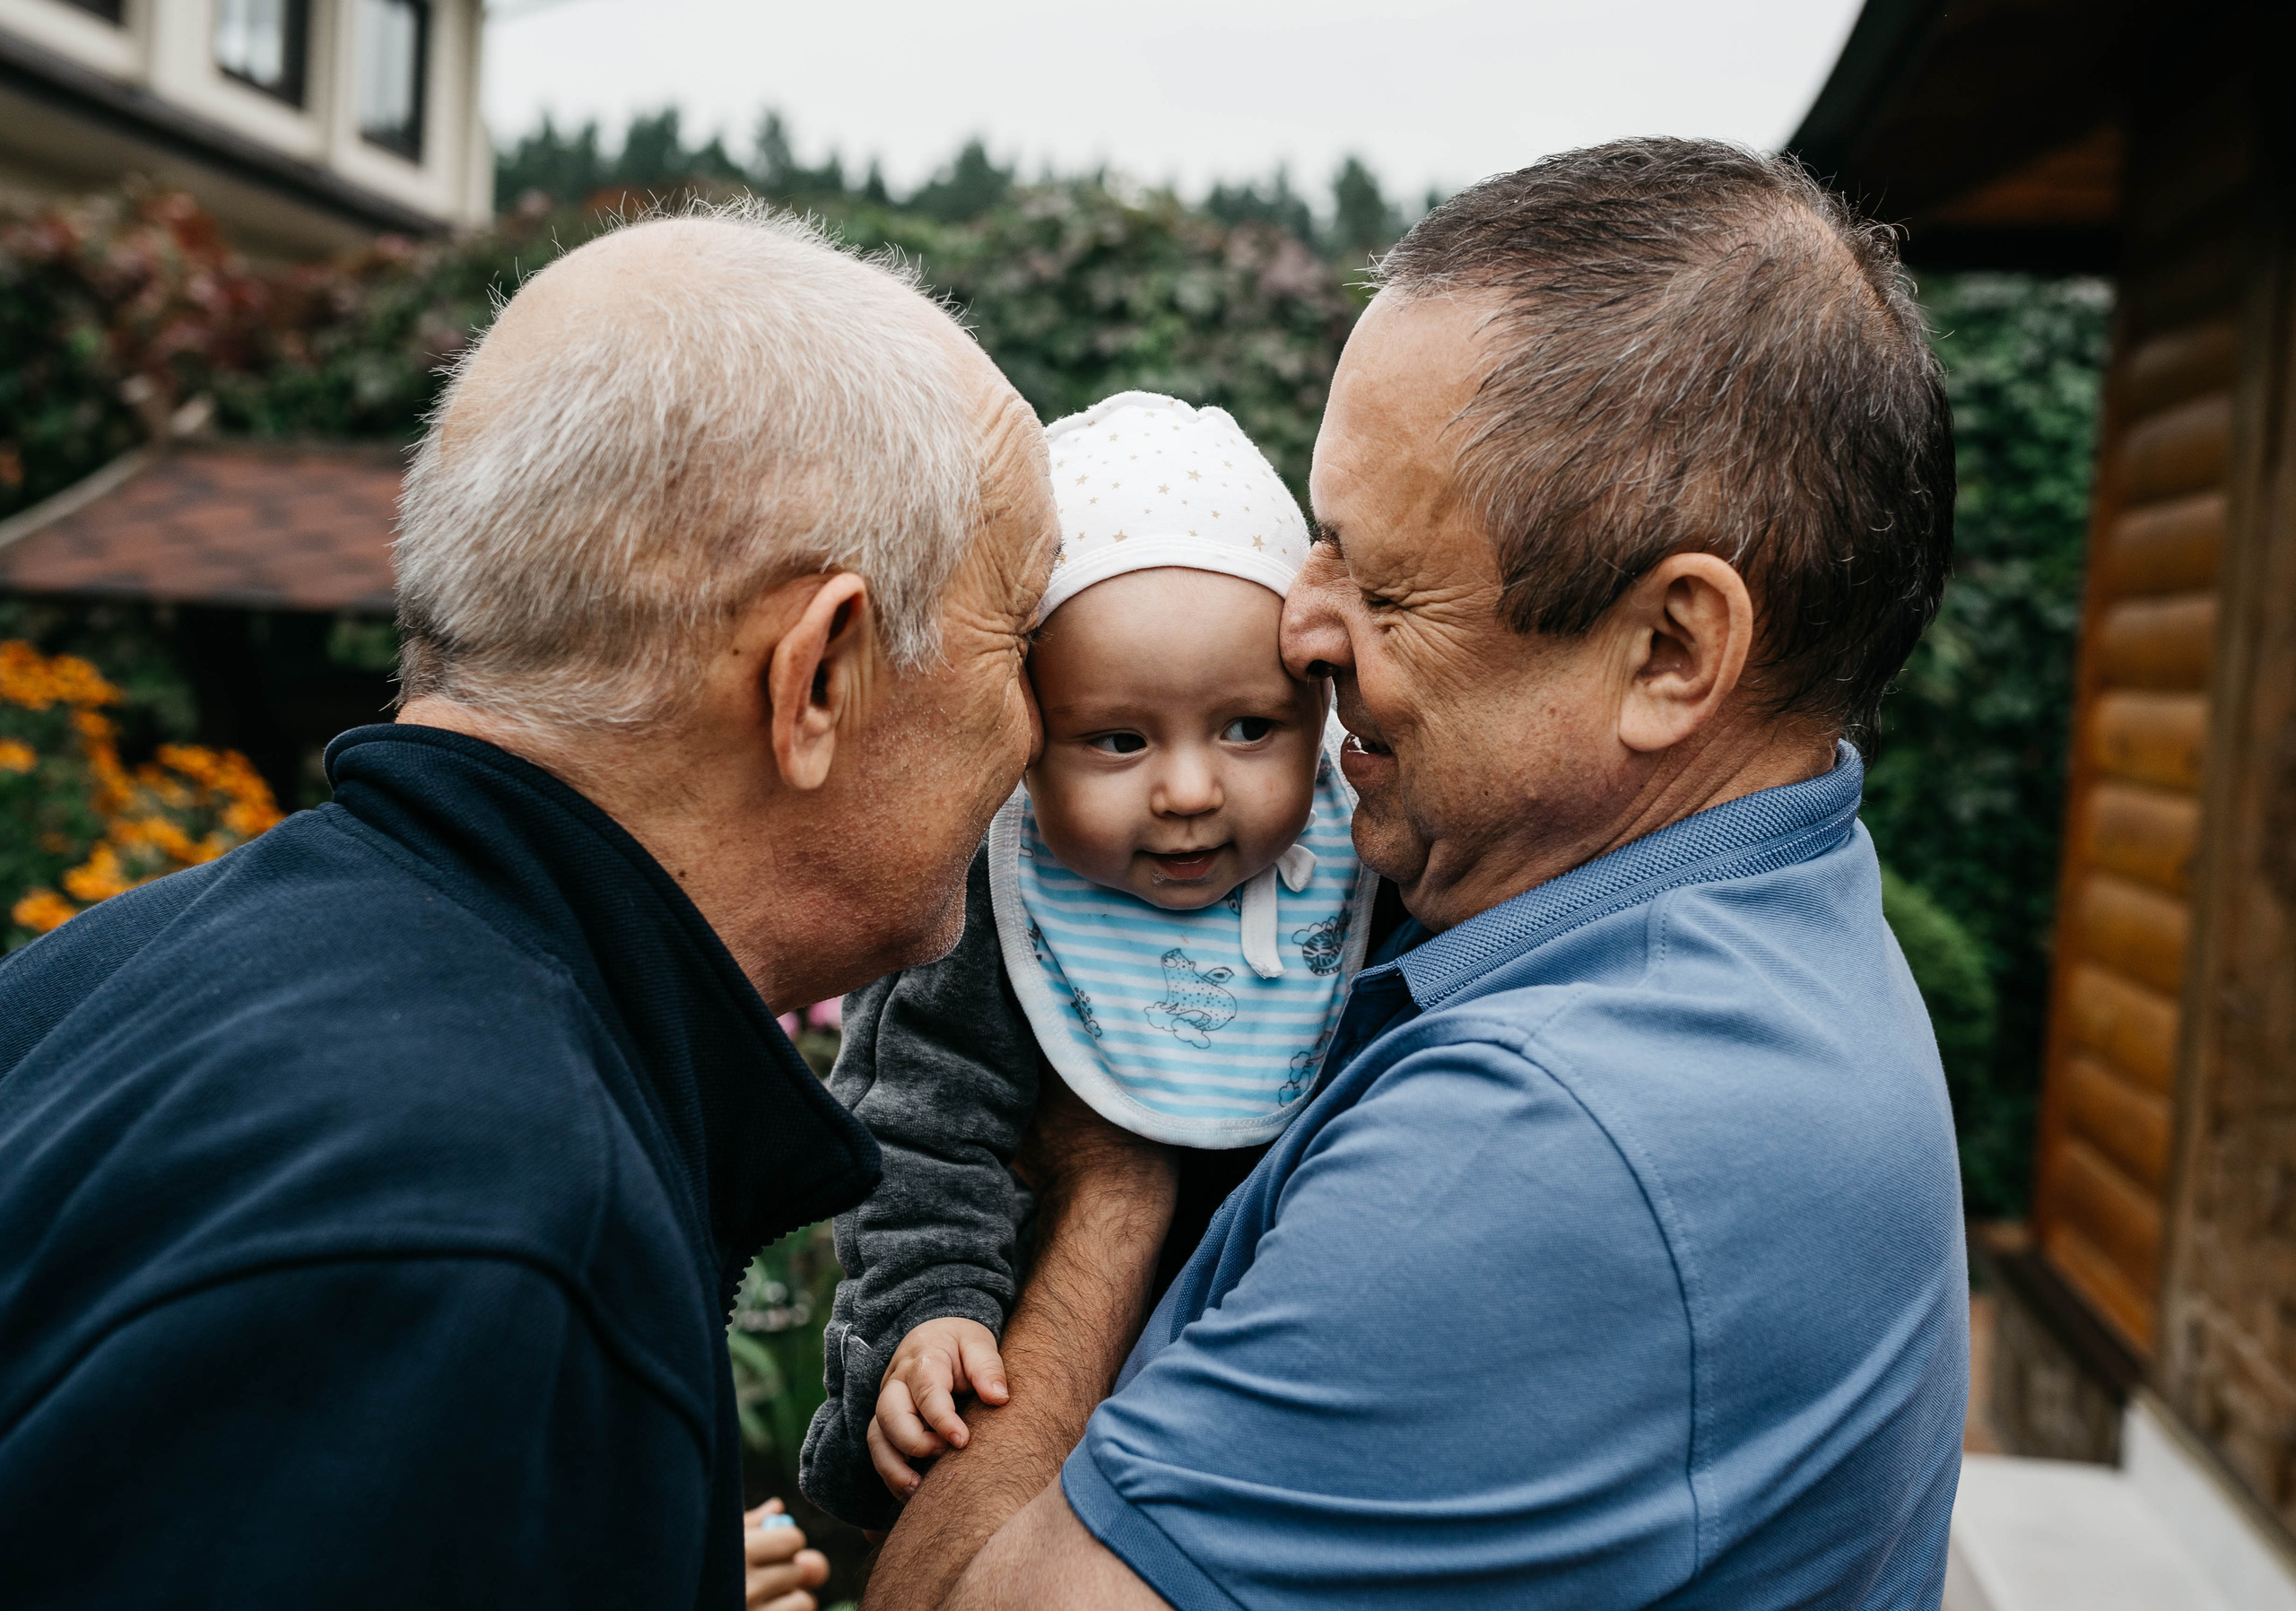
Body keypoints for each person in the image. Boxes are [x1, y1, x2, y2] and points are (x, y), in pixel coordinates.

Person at [865, 139, 1969, 1610]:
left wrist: (1115, 1170)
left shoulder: (1541, 1151)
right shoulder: (1769, 911)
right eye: (1314, 543)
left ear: (1672, 652)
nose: (1302, 629)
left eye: (1382, 586)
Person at [0, 204, 1058, 1610]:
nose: (1042, 731)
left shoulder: (111, 968)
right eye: (1021, 640)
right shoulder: (480, 1253)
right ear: (817, 677)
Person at [797, 394, 1378, 1529]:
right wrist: (930, 1314)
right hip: (1043, 1398)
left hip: (1276, 1411)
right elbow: (916, 1125)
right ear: (1023, 734)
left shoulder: (1371, 858)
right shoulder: (988, 894)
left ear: (1317, 705)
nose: (1189, 790)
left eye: (1248, 727)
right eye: (1118, 739)